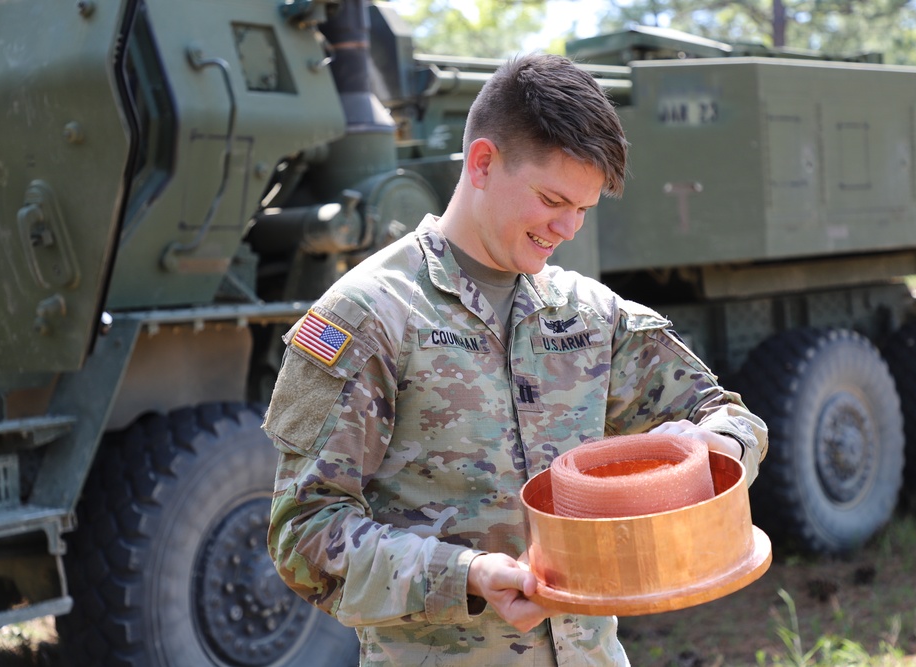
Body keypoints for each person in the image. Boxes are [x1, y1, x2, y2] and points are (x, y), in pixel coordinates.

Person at [263, 52, 767, 666]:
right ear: (482, 163)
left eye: (584, 209)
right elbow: (303, 533)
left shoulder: (588, 315)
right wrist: (466, 575)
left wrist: (713, 450)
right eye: (553, 199)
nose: (569, 228)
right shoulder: (369, 317)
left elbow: (726, 415)